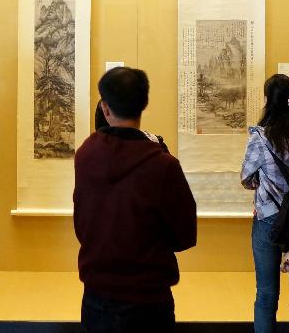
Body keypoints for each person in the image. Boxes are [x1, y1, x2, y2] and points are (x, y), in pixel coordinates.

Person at [74, 67, 197, 333]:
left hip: (97, 296)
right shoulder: (163, 165)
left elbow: (82, 224)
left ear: (105, 109)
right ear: (144, 104)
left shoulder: (85, 156)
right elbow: (185, 236)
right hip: (149, 299)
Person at [240, 74, 289, 333]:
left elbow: (246, 178)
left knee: (266, 295)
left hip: (269, 219)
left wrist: (262, 187)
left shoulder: (261, 139)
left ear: (267, 100)